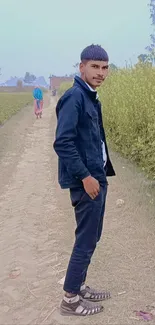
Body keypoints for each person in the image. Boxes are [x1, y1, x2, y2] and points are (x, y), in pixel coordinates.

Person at [53, 44, 115, 317]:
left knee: (92, 236)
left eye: (104, 68)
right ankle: (70, 299)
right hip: (86, 182)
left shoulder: (90, 97)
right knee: (85, 240)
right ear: (82, 67)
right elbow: (63, 143)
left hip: (97, 178)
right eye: (94, 67)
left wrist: (98, 176)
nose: (100, 73)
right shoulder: (74, 97)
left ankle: (79, 286)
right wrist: (86, 177)